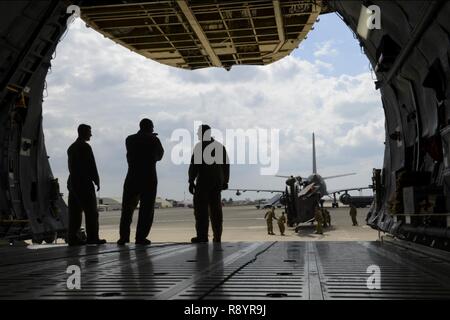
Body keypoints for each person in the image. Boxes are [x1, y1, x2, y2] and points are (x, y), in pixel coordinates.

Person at [117, 119, 164, 245]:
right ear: (150, 128)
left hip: (132, 176)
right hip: (148, 178)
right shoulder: (154, 140)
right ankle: (140, 237)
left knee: (127, 209)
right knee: (146, 210)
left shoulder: (129, 139)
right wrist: (152, 139)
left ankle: (124, 237)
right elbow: (160, 156)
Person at [189, 124, 229, 243]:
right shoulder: (219, 147)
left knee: (201, 210)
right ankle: (217, 236)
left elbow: (194, 166)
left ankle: (202, 236)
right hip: (217, 183)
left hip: (204, 182)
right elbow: (226, 166)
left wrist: (191, 181)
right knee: (216, 210)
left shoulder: (200, 147)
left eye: (198, 133)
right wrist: (225, 181)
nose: (197, 135)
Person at [67, 124, 106, 246]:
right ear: (83, 132)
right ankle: (93, 237)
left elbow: (71, 167)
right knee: (91, 212)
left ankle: (73, 238)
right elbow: (91, 165)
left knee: (75, 213)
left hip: (72, 182)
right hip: (84, 183)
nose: (91, 134)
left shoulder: (71, 147)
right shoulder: (85, 147)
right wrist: (96, 180)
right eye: (89, 132)